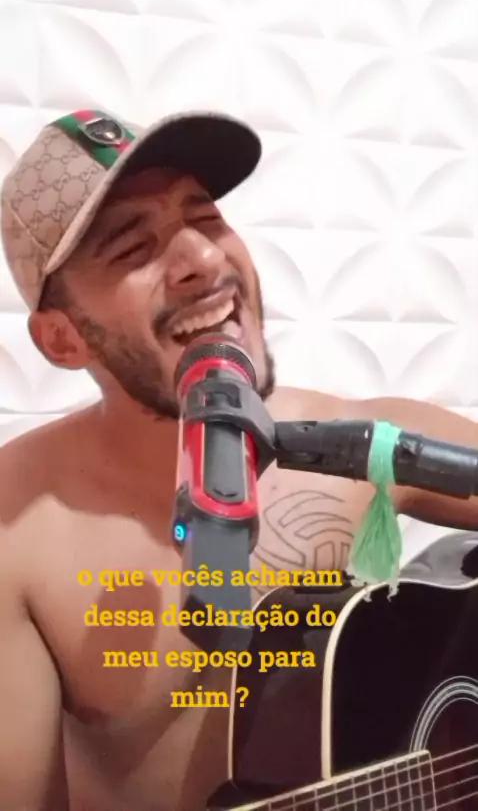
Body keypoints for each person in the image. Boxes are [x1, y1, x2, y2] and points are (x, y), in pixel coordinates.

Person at [0, 108, 477, 811]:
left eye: (206, 216)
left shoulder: (370, 439)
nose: (202, 258)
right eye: (133, 248)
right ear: (63, 339)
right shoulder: (15, 534)